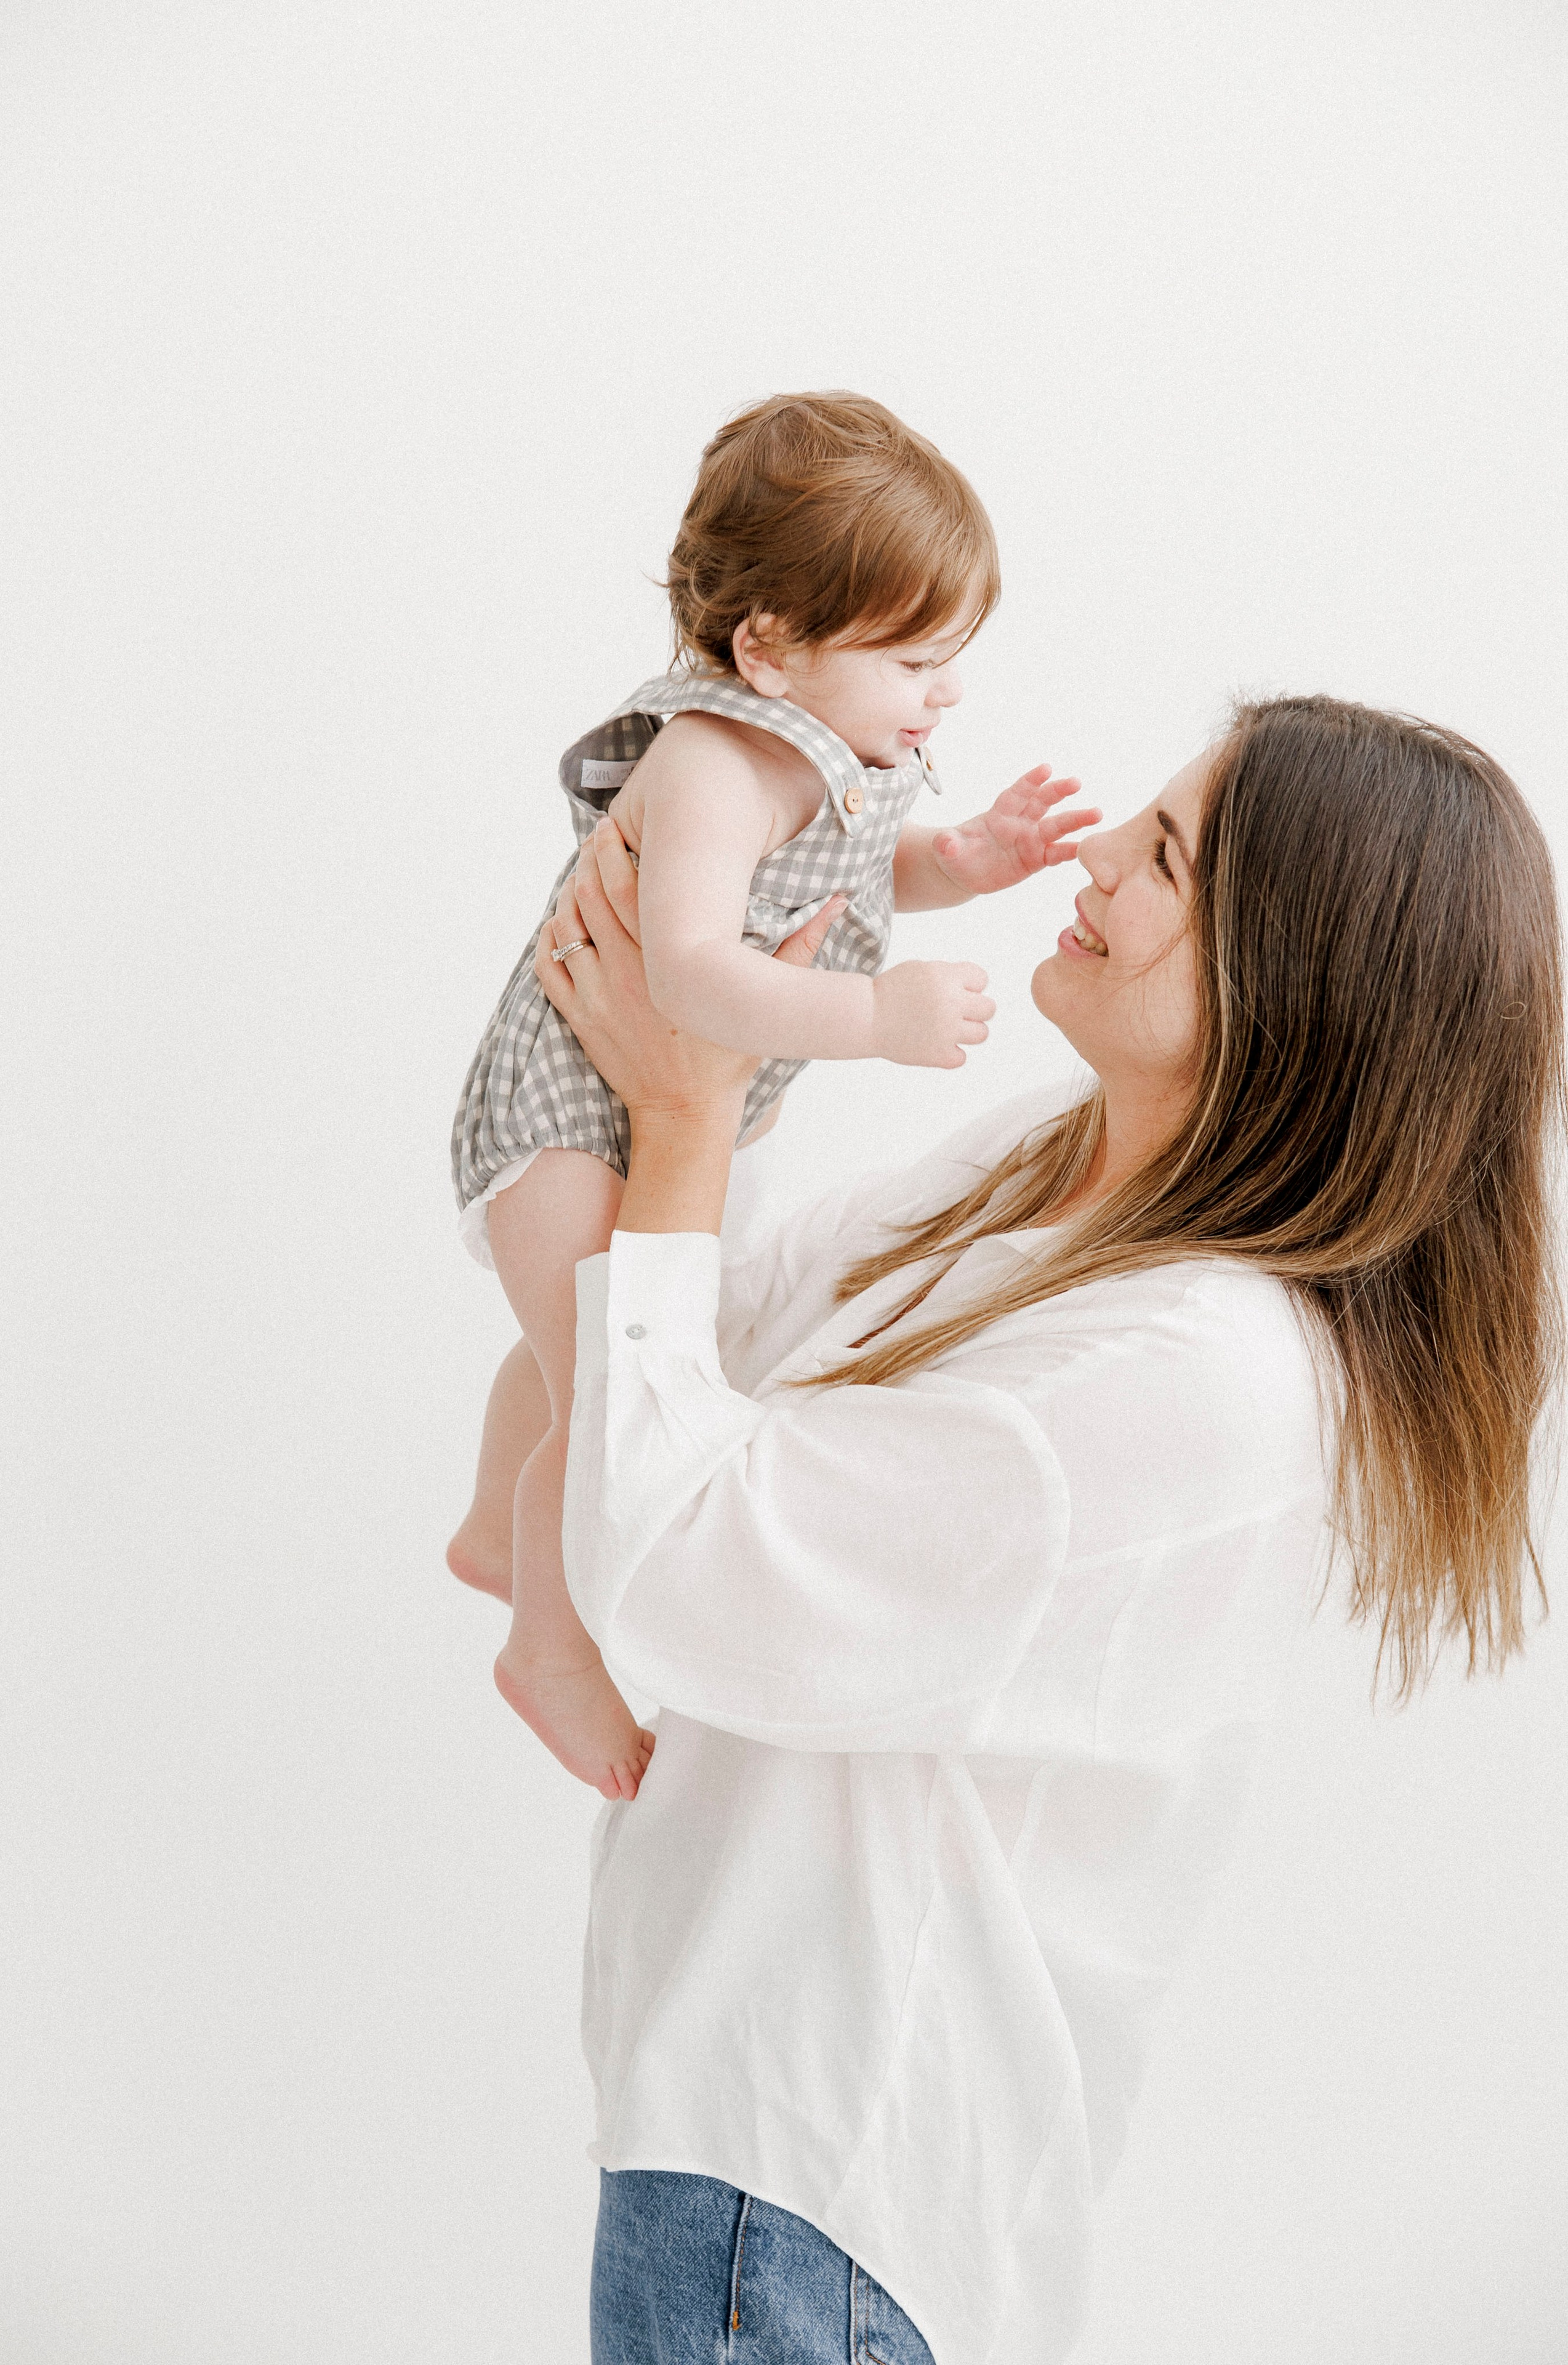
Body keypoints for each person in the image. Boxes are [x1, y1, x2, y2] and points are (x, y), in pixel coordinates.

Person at [531, 696, 1562, 2365]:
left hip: (810, 2197)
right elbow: (707, 1347)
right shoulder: (1056, 1165)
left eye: (1163, 859)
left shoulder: (1201, 1382)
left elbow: (671, 1568)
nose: (1089, 859)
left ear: (1295, 980)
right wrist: (717, 1031)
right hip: (735, 2141)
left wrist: (690, 1116)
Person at [446, 391, 1098, 1799]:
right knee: (608, 1382)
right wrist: (870, 1015)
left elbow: (864, 868)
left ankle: (501, 1527)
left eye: (953, 658)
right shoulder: (713, 764)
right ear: (769, 649)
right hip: (565, 1124)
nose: (947, 692)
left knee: (573, 1351)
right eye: (919, 658)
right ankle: (548, 1644)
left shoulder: (833, 750)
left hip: (652, 1118)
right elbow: (682, 970)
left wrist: (966, 857)